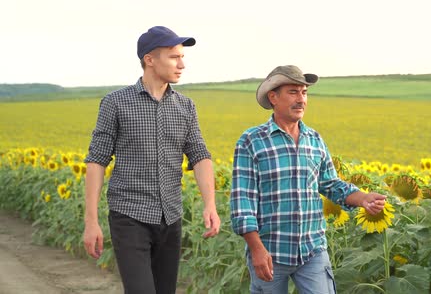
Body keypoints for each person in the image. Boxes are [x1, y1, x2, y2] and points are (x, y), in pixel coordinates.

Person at [83, 26, 221, 294]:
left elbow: (200, 156)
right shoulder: (116, 103)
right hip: (130, 216)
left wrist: (210, 205)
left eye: (182, 57)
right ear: (149, 59)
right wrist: (91, 221)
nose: (182, 64)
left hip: (171, 217)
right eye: (173, 57)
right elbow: (96, 160)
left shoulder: (186, 107)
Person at [230, 65, 387, 293]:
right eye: (293, 92)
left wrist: (363, 198)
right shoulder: (252, 141)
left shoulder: (314, 140)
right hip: (270, 250)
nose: (301, 99)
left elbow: (331, 184)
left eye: (304, 92)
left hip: (312, 249)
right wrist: (256, 248)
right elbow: (242, 202)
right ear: (273, 97)